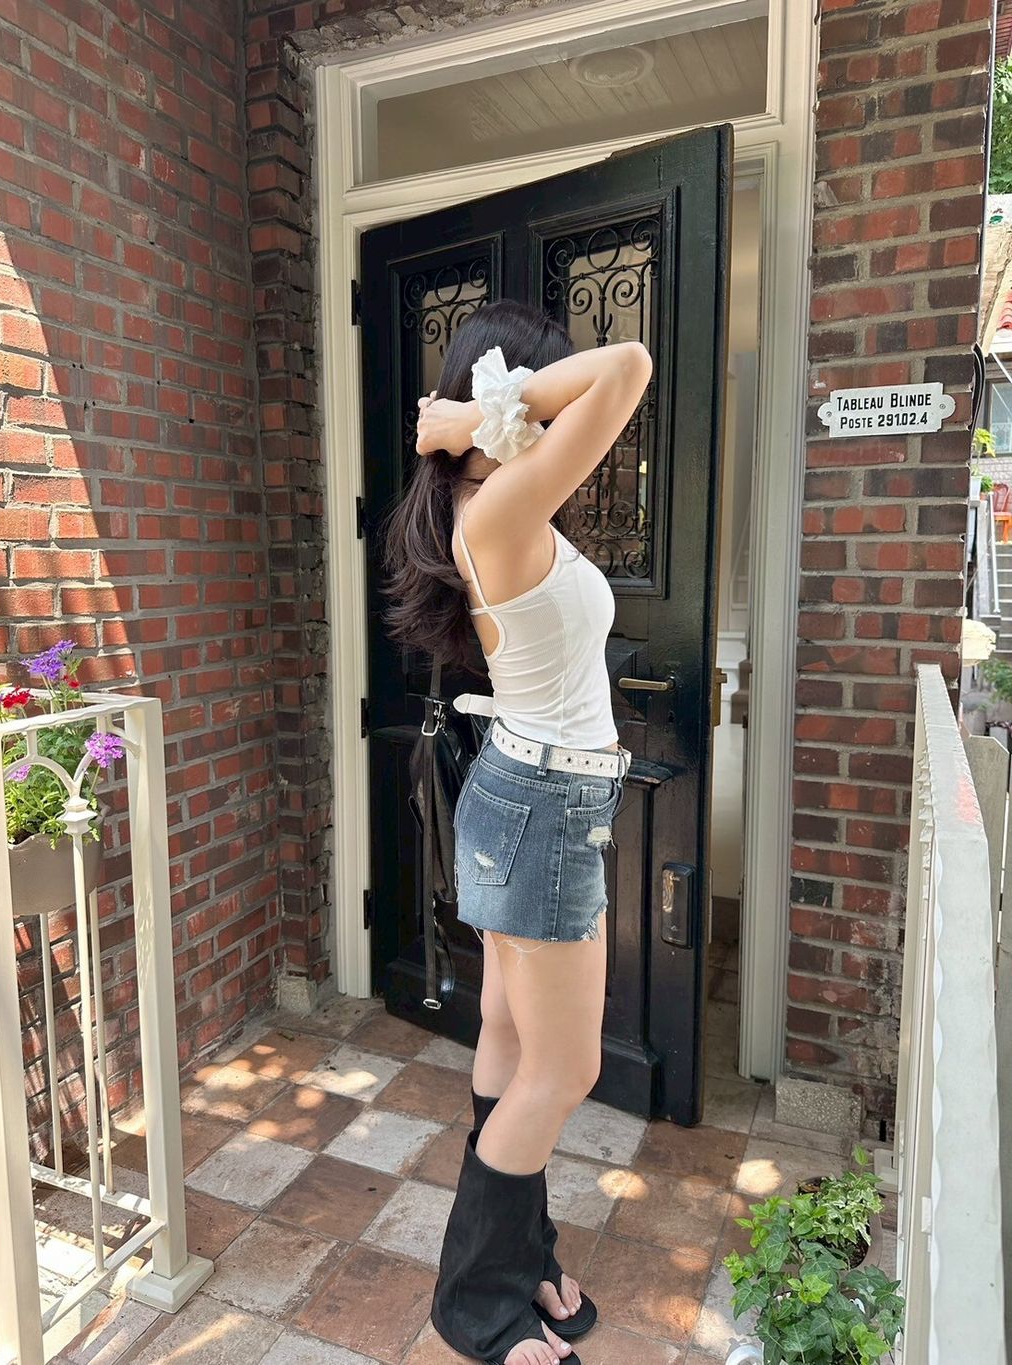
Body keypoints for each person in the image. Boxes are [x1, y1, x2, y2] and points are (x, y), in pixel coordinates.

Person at [381, 300, 652, 1365]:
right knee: (564, 1069)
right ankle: (477, 1304)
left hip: (528, 791)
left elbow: (605, 382)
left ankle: (521, 1253)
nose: (546, 416)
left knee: (507, 1035)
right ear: (505, 394)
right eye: (533, 391)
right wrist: (473, 418)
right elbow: (626, 365)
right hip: (544, 804)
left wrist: (484, 423)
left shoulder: (506, 499)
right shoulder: (496, 506)